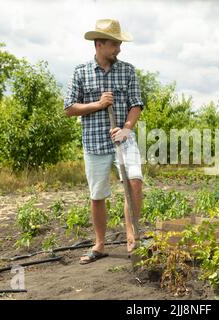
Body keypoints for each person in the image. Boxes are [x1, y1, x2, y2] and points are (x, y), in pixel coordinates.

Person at [64, 19, 144, 264]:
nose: (119, 49)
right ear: (99, 44)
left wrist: (127, 128)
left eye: (120, 44)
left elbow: (136, 104)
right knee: (98, 195)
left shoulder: (127, 70)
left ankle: (132, 239)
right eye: (114, 44)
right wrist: (98, 105)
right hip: (95, 143)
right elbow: (69, 108)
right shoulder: (81, 72)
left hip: (124, 140)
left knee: (135, 183)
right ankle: (99, 244)